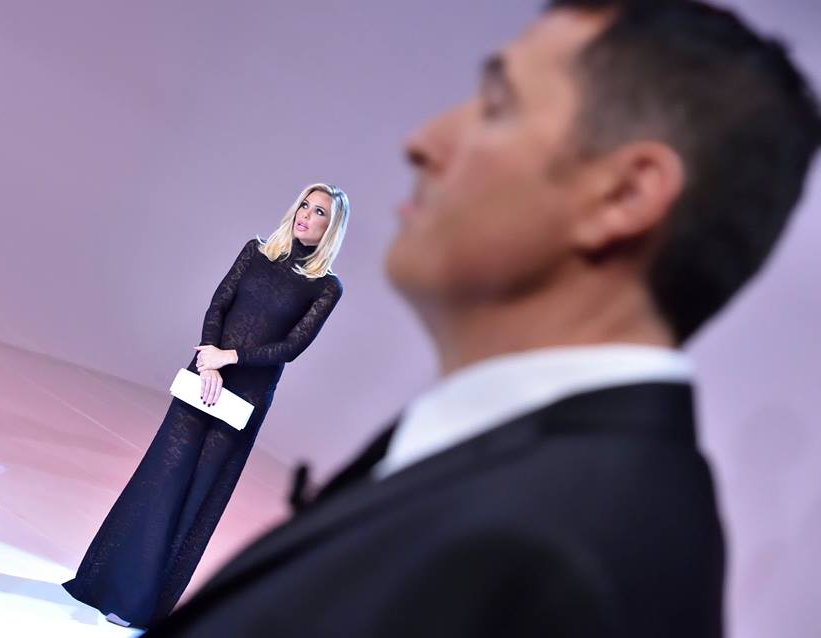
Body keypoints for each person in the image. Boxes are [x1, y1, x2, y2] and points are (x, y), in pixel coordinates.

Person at [143, 1, 821, 637]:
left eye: (497, 105)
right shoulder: (534, 476)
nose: (422, 142)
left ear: (625, 195)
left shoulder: (572, 558)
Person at [62, 183, 349, 628]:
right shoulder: (255, 252)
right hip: (204, 377)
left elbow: (291, 347)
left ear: (331, 229)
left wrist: (228, 358)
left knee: (196, 496)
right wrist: (208, 362)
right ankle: (104, 584)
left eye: (319, 213)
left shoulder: (326, 287)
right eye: (305, 206)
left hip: (244, 397)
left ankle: (142, 606)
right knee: (160, 479)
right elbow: (219, 304)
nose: (306, 216)